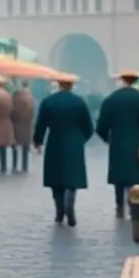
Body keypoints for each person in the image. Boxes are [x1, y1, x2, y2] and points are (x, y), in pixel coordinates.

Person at [32, 73, 94, 226]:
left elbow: (41, 124)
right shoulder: (79, 102)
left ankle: (59, 212)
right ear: (71, 85)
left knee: (56, 179)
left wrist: (38, 141)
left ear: (58, 84)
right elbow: (89, 127)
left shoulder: (48, 102)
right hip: (74, 143)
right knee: (72, 178)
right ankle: (69, 204)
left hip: (55, 142)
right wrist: (81, 139)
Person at [96, 71, 139, 219]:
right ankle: (135, 204)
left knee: (119, 176)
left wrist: (107, 139)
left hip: (116, 142)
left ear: (121, 81)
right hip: (135, 141)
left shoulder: (111, 99)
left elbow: (100, 126)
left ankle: (119, 205)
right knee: (136, 175)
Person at [11, 80, 35, 174]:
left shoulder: (15, 97)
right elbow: (32, 113)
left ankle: (14, 165)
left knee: (15, 147)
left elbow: (12, 112)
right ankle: (24, 166)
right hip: (27, 126)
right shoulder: (30, 98)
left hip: (16, 126)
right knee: (25, 147)